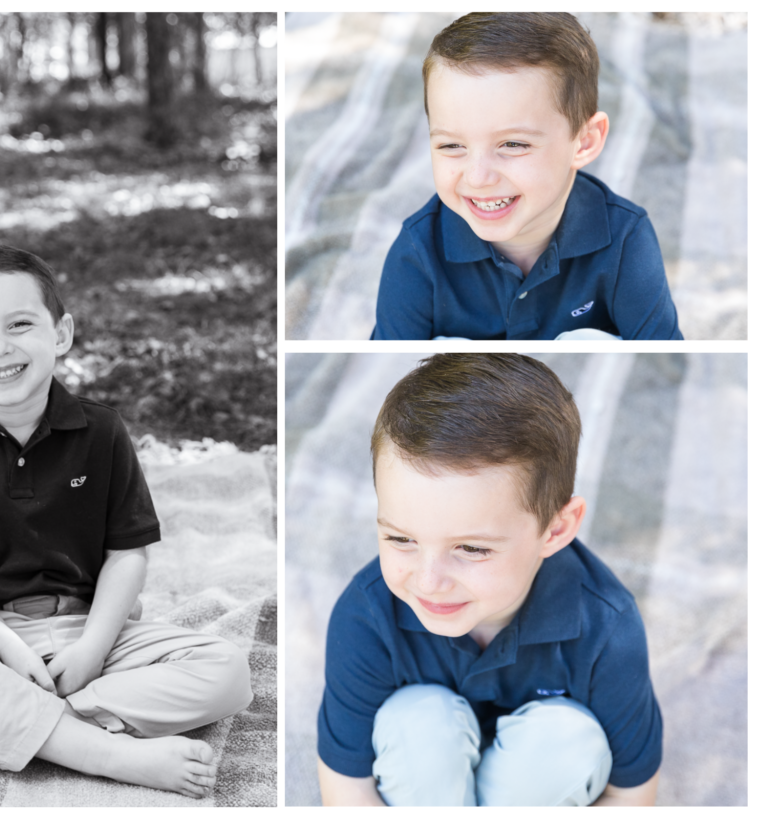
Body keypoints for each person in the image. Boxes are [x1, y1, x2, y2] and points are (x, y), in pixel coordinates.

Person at [0, 245, 252, 799]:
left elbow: (127, 554)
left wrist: (94, 649)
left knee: (227, 673)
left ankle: (9, 726)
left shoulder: (101, 431)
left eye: (20, 324)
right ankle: (105, 753)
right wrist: (7, 646)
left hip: (93, 629)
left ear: (61, 333)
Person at [317, 354, 662, 806]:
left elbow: (631, 797)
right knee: (417, 722)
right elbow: (346, 790)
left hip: (537, 784)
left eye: (472, 548)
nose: (428, 580)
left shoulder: (607, 628)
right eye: (401, 538)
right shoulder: (366, 616)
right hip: (423, 785)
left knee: (567, 739)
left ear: (555, 530)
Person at [370, 13, 683, 340]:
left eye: (513, 144)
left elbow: (658, 349)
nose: (477, 177)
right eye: (451, 145)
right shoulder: (418, 252)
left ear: (584, 142)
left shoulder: (625, 238)